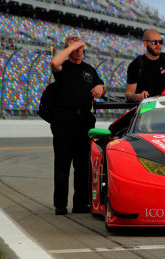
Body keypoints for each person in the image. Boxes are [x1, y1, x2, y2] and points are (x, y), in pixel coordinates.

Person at [50, 35, 106, 215]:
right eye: (75, 48)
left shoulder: (89, 69)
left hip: (84, 122)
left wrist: (101, 88)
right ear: (68, 49)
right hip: (64, 121)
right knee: (62, 165)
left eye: (82, 48)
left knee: (83, 166)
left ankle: (81, 203)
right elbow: (54, 62)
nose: (80, 51)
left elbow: (102, 85)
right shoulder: (63, 67)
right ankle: (60, 204)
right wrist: (71, 46)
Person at [126, 29, 165, 102]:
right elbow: (129, 94)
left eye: (160, 42)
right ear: (145, 43)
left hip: (164, 106)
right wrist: (139, 96)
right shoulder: (136, 64)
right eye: (154, 42)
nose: (158, 45)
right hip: (146, 107)